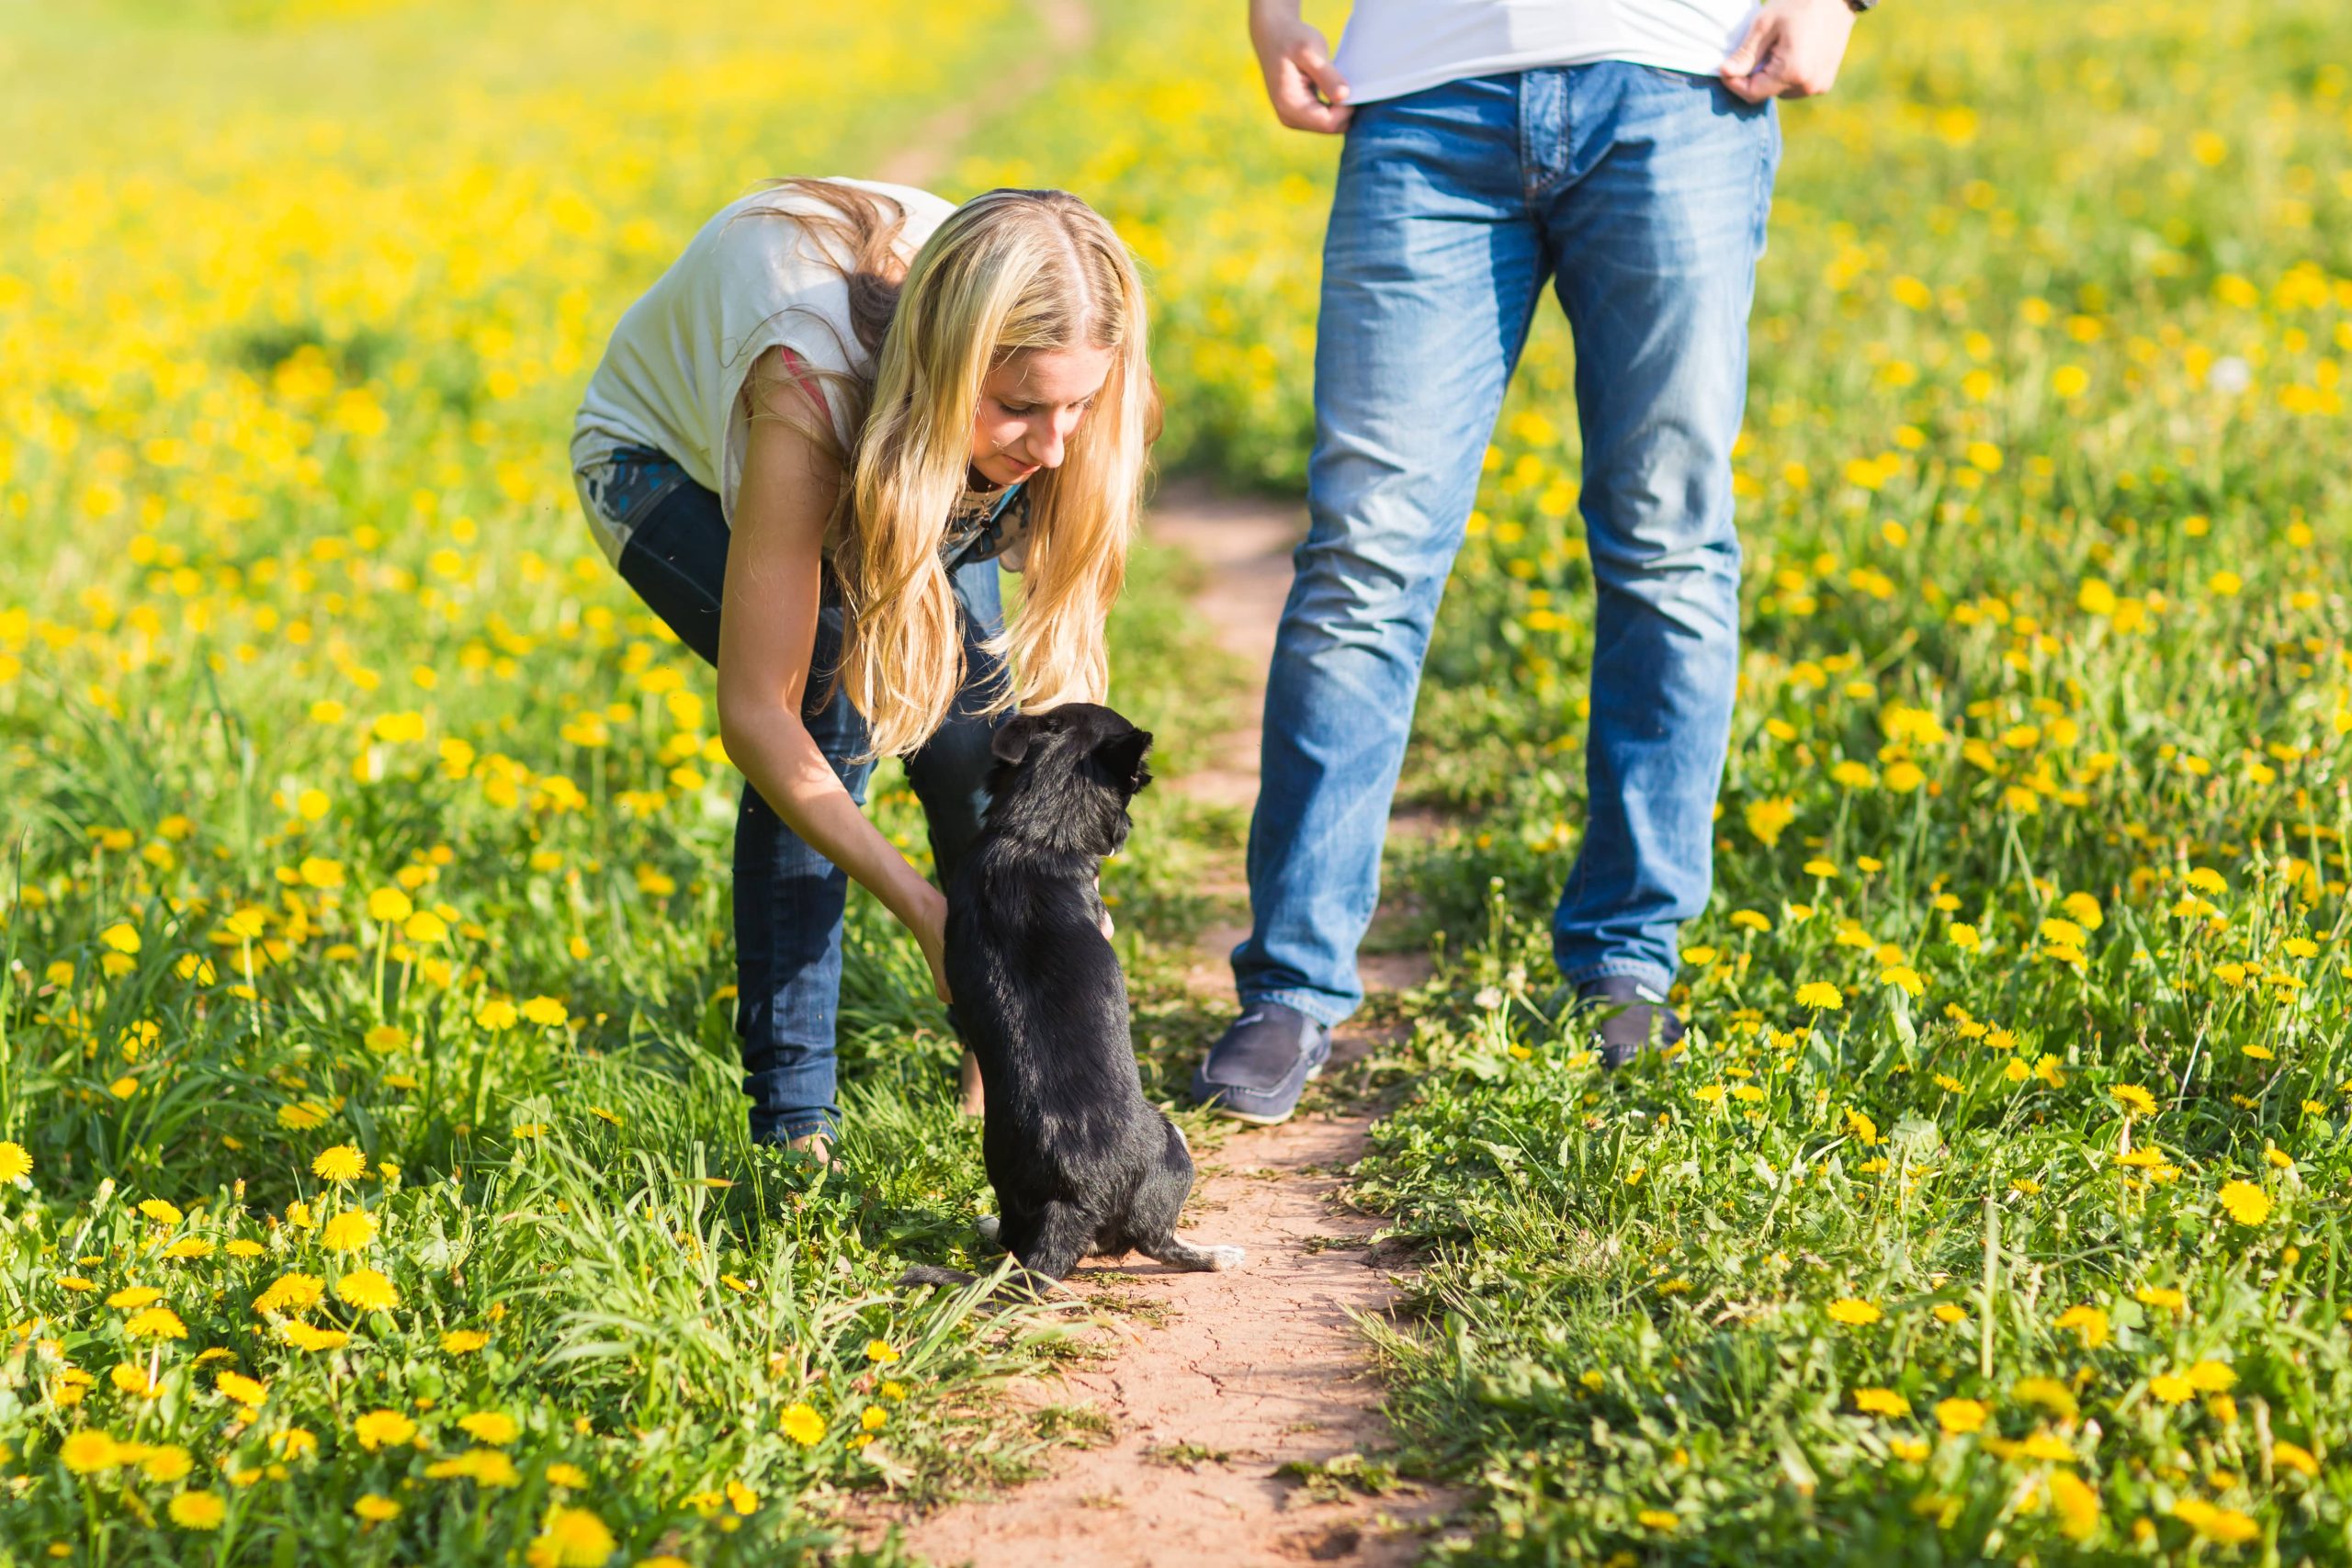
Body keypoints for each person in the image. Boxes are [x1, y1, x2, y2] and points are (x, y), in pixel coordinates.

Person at [1193, 0, 1871, 1123]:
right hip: (1421, 94)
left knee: (1665, 541)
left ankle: (1629, 956)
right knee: (1364, 554)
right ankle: (1292, 983)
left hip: (1682, 77)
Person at [572, 179, 1155, 1158]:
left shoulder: (1072, 390)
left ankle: (999, 1069)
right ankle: (795, 1126)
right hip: (660, 466)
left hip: (916, 445)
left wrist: (1058, 908)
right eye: (1020, 408)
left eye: (1078, 406)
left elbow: (1049, 701)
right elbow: (759, 718)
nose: (1056, 446)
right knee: (827, 691)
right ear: (953, 370)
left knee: (976, 730)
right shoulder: (810, 386)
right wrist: (931, 916)